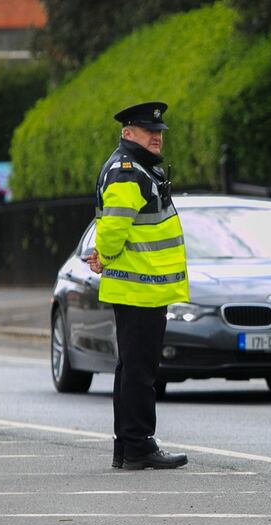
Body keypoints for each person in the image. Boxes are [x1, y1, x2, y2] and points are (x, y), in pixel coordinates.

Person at [86, 101, 189, 470]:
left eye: (159, 132)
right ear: (128, 133)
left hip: (141, 286)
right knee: (140, 372)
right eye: (149, 131)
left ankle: (129, 447)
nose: (157, 137)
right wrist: (105, 255)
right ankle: (138, 446)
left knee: (133, 369)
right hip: (138, 286)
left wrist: (104, 255)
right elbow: (114, 227)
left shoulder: (136, 168)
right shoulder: (129, 171)